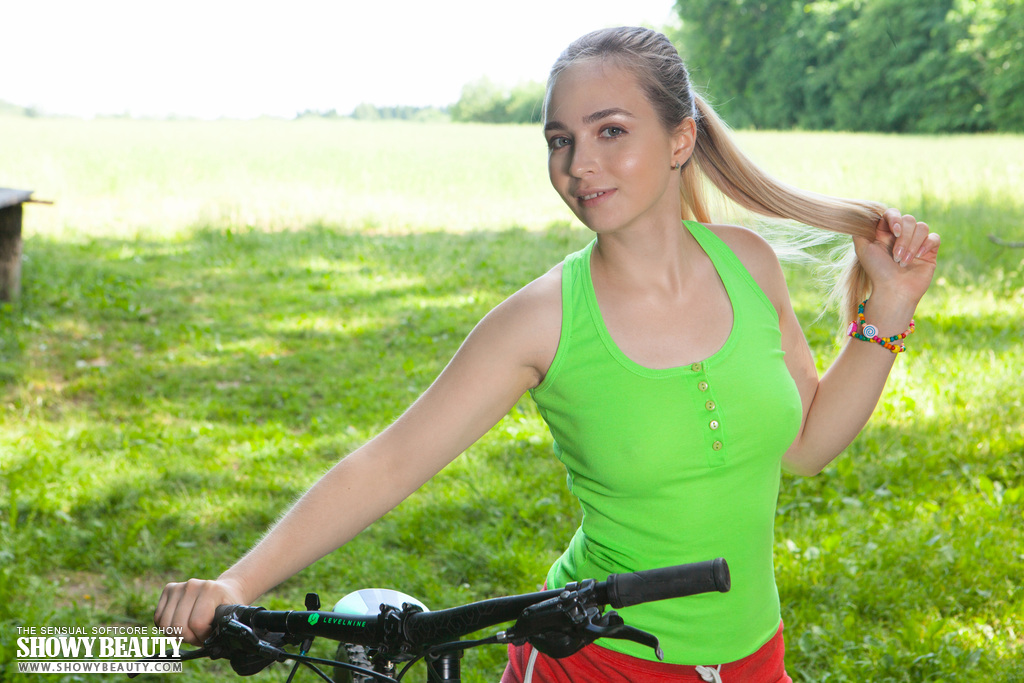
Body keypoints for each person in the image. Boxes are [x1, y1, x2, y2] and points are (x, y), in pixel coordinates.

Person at [155, 26, 940, 682]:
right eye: (560, 141)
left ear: (681, 139)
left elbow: (806, 445)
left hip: (753, 656)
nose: (577, 164)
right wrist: (238, 579)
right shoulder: (542, 320)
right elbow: (389, 463)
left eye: (610, 131)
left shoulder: (748, 264)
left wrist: (890, 308)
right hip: (592, 658)